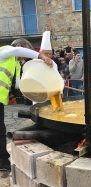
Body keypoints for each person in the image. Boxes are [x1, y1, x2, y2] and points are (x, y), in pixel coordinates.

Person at [0, 38, 52, 170]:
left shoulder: (16, 64)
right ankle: (2, 162)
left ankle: (2, 160)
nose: (25, 57)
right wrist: (41, 56)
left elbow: (19, 84)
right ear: (18, 45)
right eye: (26, 51)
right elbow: (17, 50)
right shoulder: (5, 51)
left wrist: (42, 84)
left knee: (1, 129)